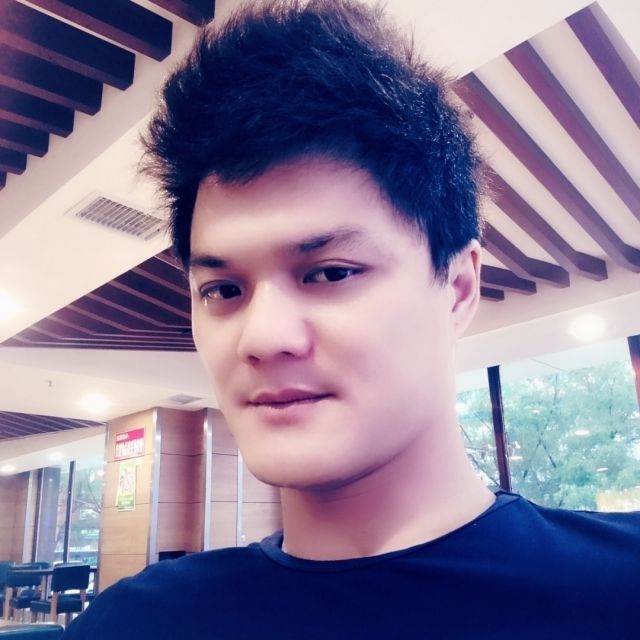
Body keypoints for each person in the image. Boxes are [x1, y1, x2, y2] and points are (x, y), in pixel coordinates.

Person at [63, 1, 640, 637]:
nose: (263, 337)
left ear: (458, 287)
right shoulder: (138, 623)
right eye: (223, 289)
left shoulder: (620, 589)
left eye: (331, 273)